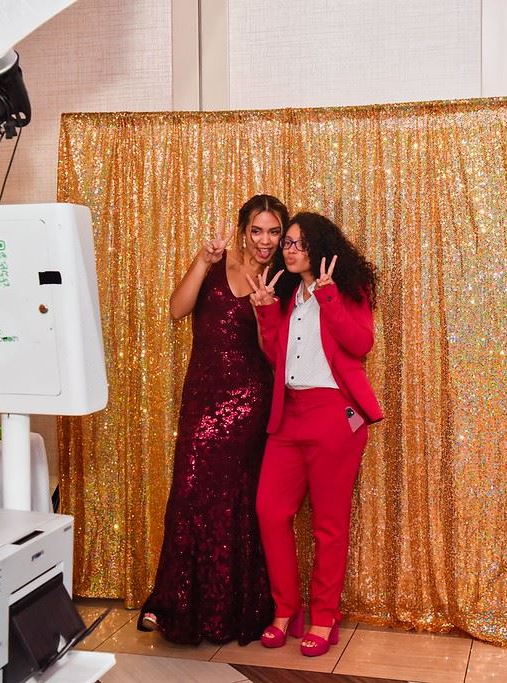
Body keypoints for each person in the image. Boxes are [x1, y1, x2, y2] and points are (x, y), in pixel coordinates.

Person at [138, 194, 290, 645]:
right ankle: (173, 603)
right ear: (243, 230)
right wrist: (202, 261)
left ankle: (229, 611)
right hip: (203, 400)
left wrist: (264, 310)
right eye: (257, 230)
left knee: (236, 502)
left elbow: (273, 355)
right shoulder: (216, 263)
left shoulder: (280, 281)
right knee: (189, 495)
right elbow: (176, 309)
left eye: (274, 232)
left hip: (249, 404)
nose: (265, 240)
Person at [246, 211, 382, 657]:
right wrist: (266, 311)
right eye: (287, 242)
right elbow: (276, 357)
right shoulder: (288, 294)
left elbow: (360, 344)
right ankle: (286, 610)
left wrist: (328, 298)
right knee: (270, 511)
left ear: (320, 247)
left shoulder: (346, 289)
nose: (290, 249)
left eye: (299, 243)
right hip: (289, 416)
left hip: (333, 417)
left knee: (328, 525)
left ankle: (324, 618)